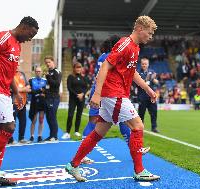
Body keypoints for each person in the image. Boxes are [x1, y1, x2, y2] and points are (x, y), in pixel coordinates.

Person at [65, 15, 160, 182]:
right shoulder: (125, 44)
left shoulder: (135, 48)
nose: (150, 36)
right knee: (138, 126)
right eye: (150, 33)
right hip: (114, 94)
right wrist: (97, 93)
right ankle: (139, 170)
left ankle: (73, 164)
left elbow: (133, 73)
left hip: (114, 94)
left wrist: (148, 89)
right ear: (140, 29)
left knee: (98, 132)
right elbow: (106, 66)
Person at [0, 16, 38, 187]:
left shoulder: (17, 46)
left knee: (2, 132)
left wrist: (17, 92)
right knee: (9, 127)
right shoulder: (3, 37)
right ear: (24, 27)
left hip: (5, 92)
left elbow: (11, 73)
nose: (30, 39)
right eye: (31, 34)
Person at [80, 36, 150, 164]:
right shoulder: (114, 55)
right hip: (108, 92)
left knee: (117, 122)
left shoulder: (102, 56)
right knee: (98, 124)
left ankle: (135, 149)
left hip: (102, 91)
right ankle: (137, 159)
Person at [62, 62, 88, 138]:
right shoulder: (70, 77)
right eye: (77, 67)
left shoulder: (83, 77)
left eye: (79, 67)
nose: (78, 69)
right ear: (74, 68)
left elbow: (86, 87)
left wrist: (82, 94)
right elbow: (69, 88)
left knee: (79, 115)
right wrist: (77, 95)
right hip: (73, 99)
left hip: (81, 99)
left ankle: (76, 131)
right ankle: (67, 132)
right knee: (70, 115)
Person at [9, 63, 31, 144]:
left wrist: (18, 89)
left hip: (23, 102)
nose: (17, 66)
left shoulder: (22, 74)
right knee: (12, 122)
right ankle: (10, 139)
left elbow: (29, 88)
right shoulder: (9, 75)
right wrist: (23, 89)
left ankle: (21, 138)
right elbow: (10, 89)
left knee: (23, 121)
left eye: (18, 64)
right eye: (15, 64)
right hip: (13, 102)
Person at [137, 57, 159, 133]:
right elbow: (139, 83)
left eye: (145, 64)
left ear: (148, 64)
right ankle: (140, 127)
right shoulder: (138, 73)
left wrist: (153, 79)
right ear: (141, 64)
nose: (144, 65)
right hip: (142, 96)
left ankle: (154, 127)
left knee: (153, 112)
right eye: (143, 64)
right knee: (141, 113)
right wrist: (148, 79)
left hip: (151, 97)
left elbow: (156, 82)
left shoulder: (152, 72)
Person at [44, 56, 62, 141]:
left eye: (49, 62)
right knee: (48, 117)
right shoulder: (48, 72)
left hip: (54, 98)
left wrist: (48, 77)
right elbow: (48, 85)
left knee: (52, 116)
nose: (47, 64)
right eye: (46, 62)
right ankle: (51, 135)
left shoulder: (56, 71)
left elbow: (57, 84)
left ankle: (55, 136)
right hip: (47, 97)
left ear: (53, 62)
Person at [28, 66, 47, 142]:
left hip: (42, 102)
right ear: (35, 72)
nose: (38, 72)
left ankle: (39, 135)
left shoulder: (45, 80)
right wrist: (39, 90)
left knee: (41, 119)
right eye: (37, 71)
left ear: (41, 72)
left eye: (39, 71)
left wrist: (43, 93)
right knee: (34, 119)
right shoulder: (31, 80)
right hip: (34, 102)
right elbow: (31, 91)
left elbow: (46, 91)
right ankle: (32, 136)